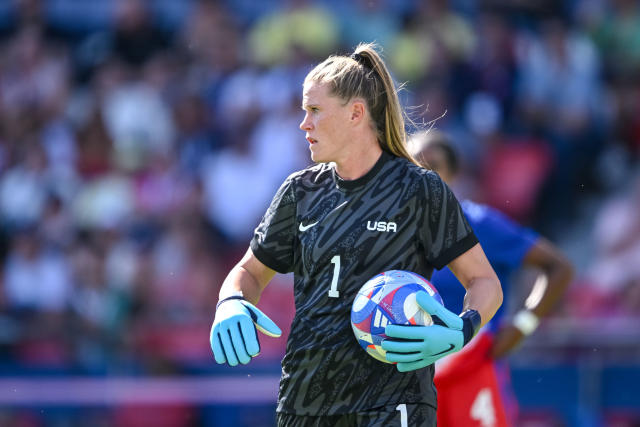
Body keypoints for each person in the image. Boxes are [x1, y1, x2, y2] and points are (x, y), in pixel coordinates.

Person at [210, 43, 503, 427]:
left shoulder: (419, 191)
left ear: (355, 114)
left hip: (394, 403)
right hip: (304, 401)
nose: (304, 124)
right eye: (303, 112)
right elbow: (249, 272)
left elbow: (485, 282)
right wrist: (230, 300)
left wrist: (463, 328)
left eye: (314, 110)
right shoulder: (299, 192)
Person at [408, 130, 574, 427]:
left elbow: (558, 267)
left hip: (471, 373)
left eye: (432, 166)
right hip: (410, 379)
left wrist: (523, 326)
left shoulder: (479, 224)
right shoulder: (393, 233)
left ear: (453, 175)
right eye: (412, 166)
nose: (422, 175)